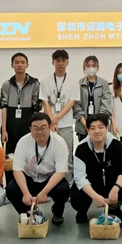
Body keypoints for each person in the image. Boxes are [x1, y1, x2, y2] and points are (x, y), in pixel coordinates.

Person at [6, 113, 70, 226]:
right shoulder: (23, 142)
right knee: (11, 189)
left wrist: (44, 192)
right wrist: (25, 193)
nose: (39, 132)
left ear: (49, 127)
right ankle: (28, 213)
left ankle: (57, 212)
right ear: (30, 129)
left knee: (63, 189)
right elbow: (17, 170)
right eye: (35, 128)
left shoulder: (59, 143)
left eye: (43, 128)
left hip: (50, 178)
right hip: (29, 177)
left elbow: (61, 172)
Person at [72, 114, 122, 224]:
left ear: (106, 128)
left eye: (100, 127)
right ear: (87, 130)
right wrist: (95, 196)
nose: (97, 131)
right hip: (92, 184)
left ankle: (114, 208)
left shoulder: (116, 145)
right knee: (77, 195)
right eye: (92, 128)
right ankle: (82, 211)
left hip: (111, 183)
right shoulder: (81, 149)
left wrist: (116, 188)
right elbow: (79, 177)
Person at [40, 49, 80, 185]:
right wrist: (51, 121)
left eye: (63, 61)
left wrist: (56, 119)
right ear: (53, 62)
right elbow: (45, 102)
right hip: (49, 126)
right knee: (49, 157)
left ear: (67, 62)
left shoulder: (74, 82)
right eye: (58, 61)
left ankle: (69, 185)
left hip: (66, 125)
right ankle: (51, 186)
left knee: (67, 157)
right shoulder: (45, 82)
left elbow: (71, 102)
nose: (61, 63)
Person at [0, 52, 41, 185]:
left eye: (22, 62)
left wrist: (34, 130)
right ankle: (10, 187)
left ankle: (27, 187)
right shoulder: (7, 85)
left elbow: (36, 109)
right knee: (9, 159)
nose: (19, 65)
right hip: (10, 127)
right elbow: (4, 107)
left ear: (27, 65)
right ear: (12, 65)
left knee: (28, 159)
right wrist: (4, 129)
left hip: (27, 127)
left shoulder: (35, 84)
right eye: (16, 62)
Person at [74, 55, 113, 141]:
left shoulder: (104, 83)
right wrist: (87, 125)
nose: (91, 68)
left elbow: (106, 104)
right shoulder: (79, 84)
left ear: (97, 67)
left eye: (93, 65)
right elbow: (76, 106)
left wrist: (96, 125)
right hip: (83, 127)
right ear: (84, 67)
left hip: (100, 127)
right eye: (88, 66)